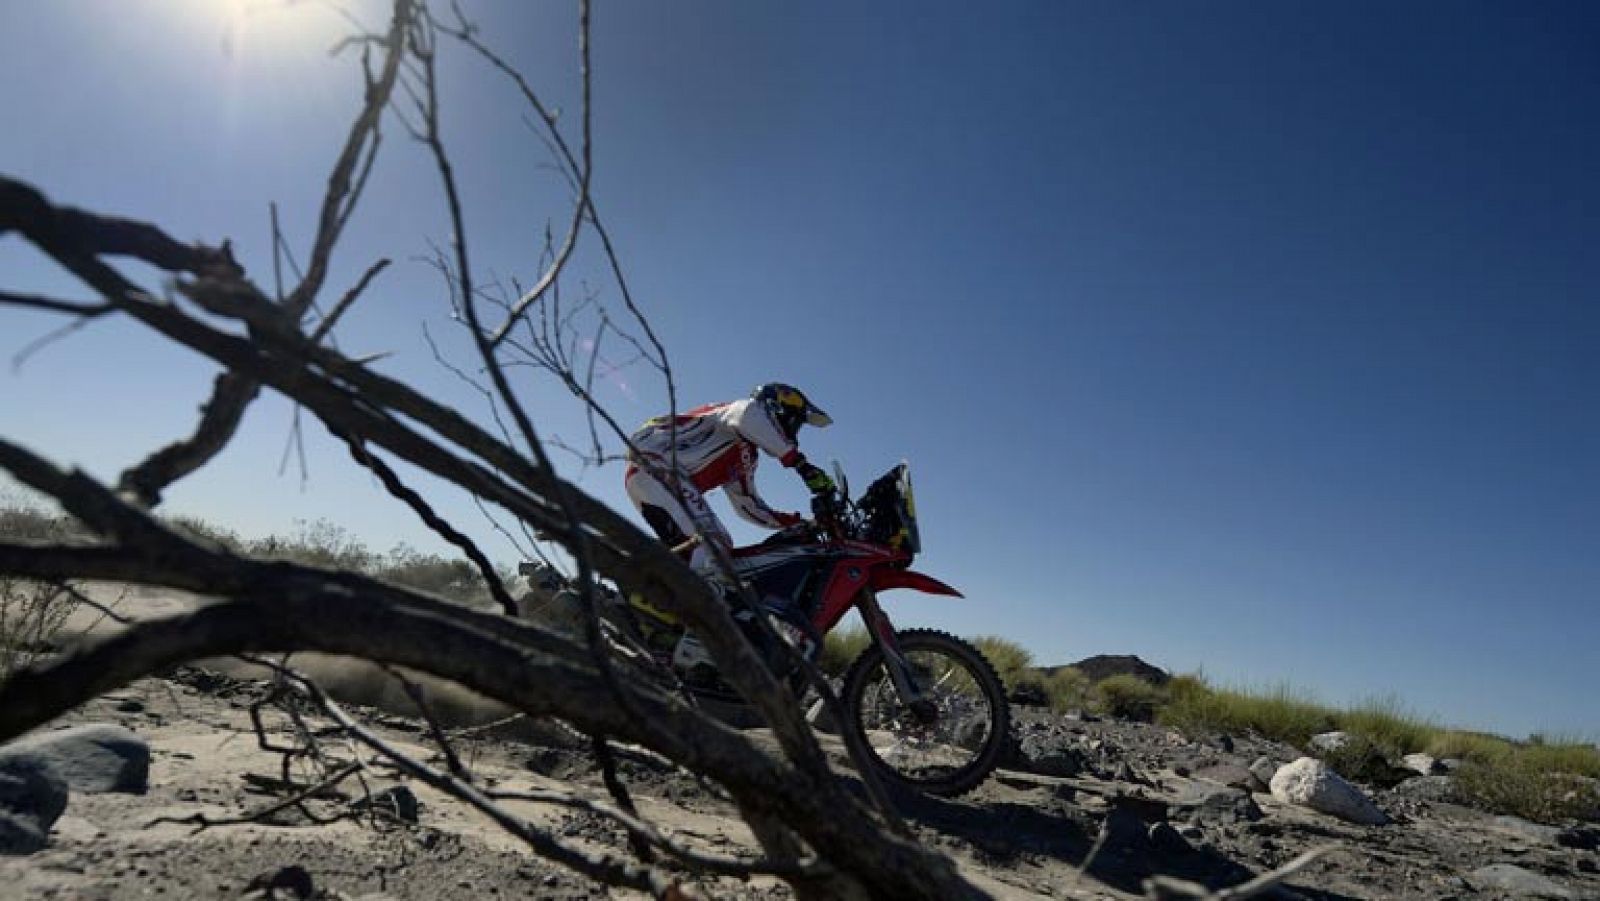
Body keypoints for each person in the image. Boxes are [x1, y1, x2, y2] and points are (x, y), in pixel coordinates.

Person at [624, 382, 836, 575]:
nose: (794, 431)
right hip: (654, 462)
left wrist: (801, 523)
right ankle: (697, 604)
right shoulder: (740, 411)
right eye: (794, 423)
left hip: (658, 482)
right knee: (715, 544)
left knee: (697, 552)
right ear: (778, 409)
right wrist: (801, 464)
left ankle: (650, 598)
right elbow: (748, 415)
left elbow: (749, 507)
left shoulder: (746, 457)